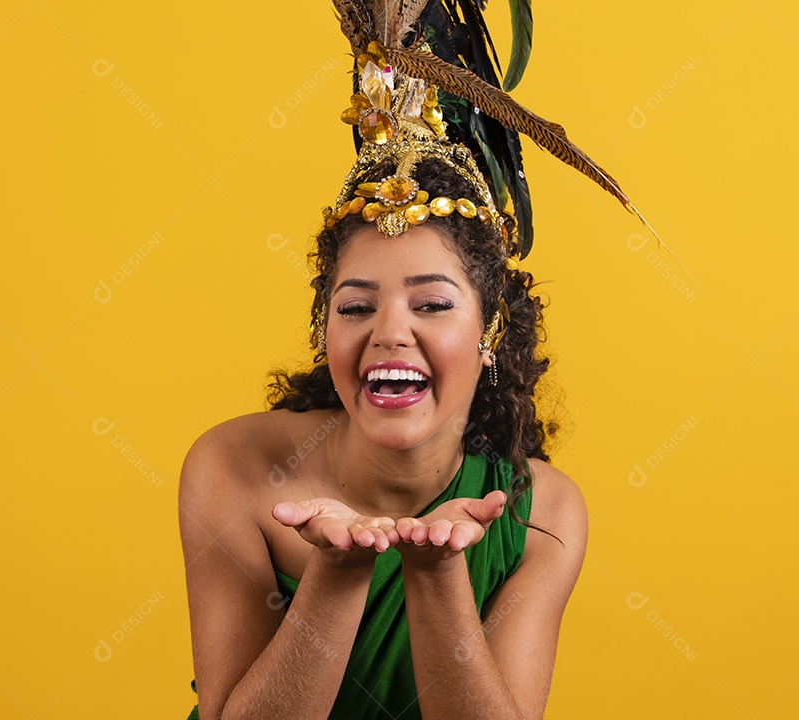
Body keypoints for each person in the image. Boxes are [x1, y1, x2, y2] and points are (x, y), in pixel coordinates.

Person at [179, 2, 652, 717]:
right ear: (325, 329)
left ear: (490, 328)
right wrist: (339, 574)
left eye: (432, 305)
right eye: (357, 306)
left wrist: (437, 576)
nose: (390, 333)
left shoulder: (545, 513)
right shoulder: (234, 471)